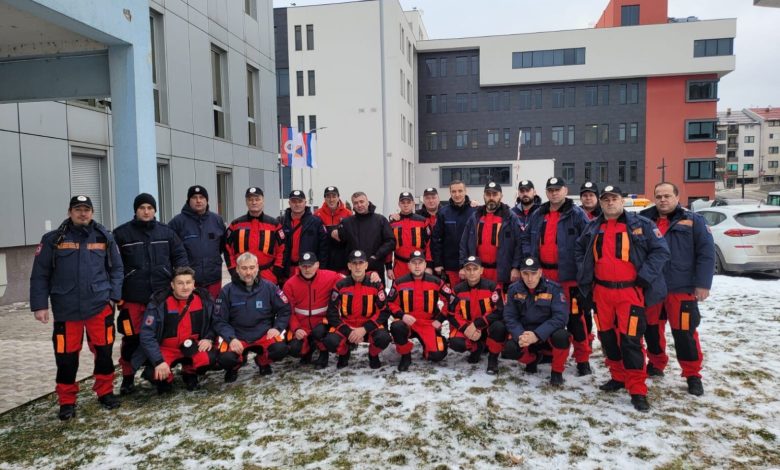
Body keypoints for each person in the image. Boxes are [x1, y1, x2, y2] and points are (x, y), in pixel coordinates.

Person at [575, 185, 670, 412]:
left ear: (622, 200)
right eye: (606, 199)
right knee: (607, 338)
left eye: (614, 198)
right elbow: (579, 250)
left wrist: (645, 276)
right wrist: (585, 274)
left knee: (631, 340)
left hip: (630, 292)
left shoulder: (641, 224)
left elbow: (661, 251)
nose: (610, 203)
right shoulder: (592, 227)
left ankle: (637, 389)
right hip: (602, 293)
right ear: (601, 202)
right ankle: (617, 376)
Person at [30, 195, 124, 420]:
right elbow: (40, 274)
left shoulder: (104, 236)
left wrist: (113, 296)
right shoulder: (53, 239)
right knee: (66, 358)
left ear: (92, 212)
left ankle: (105, 392)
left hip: (99, 307)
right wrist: (40, 305)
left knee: (104, 353)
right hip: (66, 309)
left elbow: (117, 269)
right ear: (69, 212)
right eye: (78, 209)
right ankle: (67, 401)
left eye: (86, 209)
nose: (83, 213)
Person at [640, 182, 714, 396]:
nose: (663, 200)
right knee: (651, 330)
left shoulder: (694, 221)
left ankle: (692, 374)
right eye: (658, 196)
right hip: (652, 288)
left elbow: (706, 254)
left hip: (681, 288)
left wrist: (703, 284)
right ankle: (656, 363)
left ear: (677, 197)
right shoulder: (644, 219)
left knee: (684, 333)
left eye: (667, 195)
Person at [113, 193, 189, 395]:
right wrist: (117, 293)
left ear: (155, 210)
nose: (146, 211)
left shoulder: (167, 232)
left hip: (160, 297)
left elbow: (180, 256)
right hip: (132, 298)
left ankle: (159, 373)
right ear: (135, 210)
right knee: (131, 339)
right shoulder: (121, 234)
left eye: (150, 208)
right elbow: (113, 265)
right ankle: (128, 377)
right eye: (142, 208)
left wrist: (179, 280)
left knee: (161, 337)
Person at [527, 177, 592, 376]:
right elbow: (526, 238)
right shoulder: (538, 214)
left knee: (575, 319)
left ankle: (582, 359)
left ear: (565, 190)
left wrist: (583, 273)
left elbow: (588, 244)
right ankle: (547, 353)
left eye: (557, 189)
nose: (554, 193)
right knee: (544, 315)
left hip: (568, 278)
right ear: (546, 192)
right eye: (550, 190)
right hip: (544, 276)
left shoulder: (577, 214)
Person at [133, 267, 218, 393]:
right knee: (154, 373)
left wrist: (208, 338)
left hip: (192, 347)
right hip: (166, 349)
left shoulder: (204, 299)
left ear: (194, 284)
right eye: (180, 283)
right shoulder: (159, 303)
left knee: (210, 358)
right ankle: (166, 380)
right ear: (172, 285)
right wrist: (158, 361)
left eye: (188, 282)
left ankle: (190, 373)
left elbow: (215, 322)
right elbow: (147, 335)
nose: (185, 287)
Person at [212, 252, 291, 381]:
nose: (248, 272)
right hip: (238, 336)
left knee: (280, 349)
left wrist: (277, 328)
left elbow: (285, 309)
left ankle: (263, 361)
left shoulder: (269, 287)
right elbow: (219, 320)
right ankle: (235, 366)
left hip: (263, 334)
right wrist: (231, 339)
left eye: (251, 267)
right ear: (237, 269)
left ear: (257, 267)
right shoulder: (226, 291)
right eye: (244, 268)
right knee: (226, 359)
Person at [502, 257, 570, 387]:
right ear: (521, 273)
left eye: (533, 273)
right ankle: (532, 360)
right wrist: (520, 335)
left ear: (540, 272)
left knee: (562, 336)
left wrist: (537, 335)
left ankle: (557, 371)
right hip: (525, 335)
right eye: (525, 273)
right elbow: (510, 316)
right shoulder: (513, 289)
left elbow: (561, 317)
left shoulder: (553, 289)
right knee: (509, 349)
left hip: (547, 335)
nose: (530, 278)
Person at [387, 250, 455, 371]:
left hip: (428, 324)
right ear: (409, 265)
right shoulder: (399, 282)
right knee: (397, 327)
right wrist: (402, 316)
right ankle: (406, 355)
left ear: (425, 265)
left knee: (437, 355)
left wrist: (440, 319)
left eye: (420, 263)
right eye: (414, 263)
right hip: (408, 323)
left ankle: (429, 348)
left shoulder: (436, 281)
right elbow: (390, 302)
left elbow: (451, 300)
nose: (417, 266)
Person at [323, 250, 392, 369]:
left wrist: (365, 329)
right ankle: (344, 353)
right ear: (349, 266)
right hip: (347, 325)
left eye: (361, 263)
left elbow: (384, 311)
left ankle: (373, 354)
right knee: (330, 341)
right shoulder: (340, 285)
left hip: (369, 326)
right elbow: (332, 312)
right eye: (354, 263)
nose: (358, 267)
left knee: (384, 338)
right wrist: (348, 331)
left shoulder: (375, 285)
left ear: (366, 265)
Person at [282, 252, 344, 369]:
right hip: (302, 325)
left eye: (310, 265)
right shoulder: (290, 284)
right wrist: (296, 328)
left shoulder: (329, 277)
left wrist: (371, 275)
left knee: (320, 332)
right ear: (299, 266)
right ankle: (307, 351)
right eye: (304, 266)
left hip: (322, 322)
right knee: (294, 348)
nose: (307, 269)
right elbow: (288, 311)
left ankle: (323, 352)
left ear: (317, 265)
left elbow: (353, 278)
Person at [460, 181, 523, 291]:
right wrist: (462, 266)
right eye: (488, 194)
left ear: (501, 196)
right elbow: (464, 243)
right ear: (484, 196)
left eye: (495, 194)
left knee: (499, 300)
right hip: (478, 272)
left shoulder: (510, 217)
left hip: (502, 272)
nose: (491, 198)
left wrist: (516, 267)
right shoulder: (475, 217)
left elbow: (519, 244)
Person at [447, 256, 506, 375]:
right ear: (464, 271)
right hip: (468, 328)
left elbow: (499, 311)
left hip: (486, 327)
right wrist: (465, 328)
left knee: (499, 327)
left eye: (475, 269)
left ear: (481, 270)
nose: (472, 272)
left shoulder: (492, 287)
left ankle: (493, 359)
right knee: (455, 342)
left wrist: (477, 324)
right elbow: (452, 314)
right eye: (468, 269)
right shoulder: (457, 290)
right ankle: (476, 347)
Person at [168, 185, 226, 300]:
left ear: (207, 200)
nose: (198, 200)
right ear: (188, 200)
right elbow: (171, 252)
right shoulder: (177, 222)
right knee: (192, 310)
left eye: (201, 197)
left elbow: (221, 246)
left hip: (213, 279)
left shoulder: (217, 220)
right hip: (189, 282)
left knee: (213, 309)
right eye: (194, 197)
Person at [225, 187, 285, 285]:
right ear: (246, 202)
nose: (254, 202)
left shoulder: (274, 225)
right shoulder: (236, 225)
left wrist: (276, 271)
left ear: (263, 200)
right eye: (250, 200)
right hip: (242, 276)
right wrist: (233, 271)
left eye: (257, 199)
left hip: (268, 276)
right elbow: (227, 249)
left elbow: (282, 249)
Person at [333, 192, 395, 277]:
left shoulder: (380, 220)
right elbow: (341, 245)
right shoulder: (347, 223)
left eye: (361, 202)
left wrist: (377, 256)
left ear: (367, 202)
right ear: (353, 205)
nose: (359, 205)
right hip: (354, 270)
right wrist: (333, 232)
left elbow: (390, 242)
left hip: (375, 269)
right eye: (356, 203)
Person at [431, 180, 476, 286]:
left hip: (472, 264)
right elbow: (436, 239)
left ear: (465, 191)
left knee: (471, 294)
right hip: (450, 265)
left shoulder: (475, 211)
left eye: (460, 191)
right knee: (452, 294)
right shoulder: (443, 212)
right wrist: (438, 263)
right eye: (454, 191)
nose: (457, 194)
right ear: (450, 192)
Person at [281, 190, 329, 281]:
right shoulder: (281, 222)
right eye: (294, 201)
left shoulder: (316, 222)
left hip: (309, 269)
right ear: (289, 203)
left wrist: (320, 269)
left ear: (305, 203)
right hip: (287, 270)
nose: (297, 204)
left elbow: (324, 249)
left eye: (300, 201)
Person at [388, 191, 430, 281]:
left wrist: (429, 265)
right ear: (399, 204)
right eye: (403, 202)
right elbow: (388, 246)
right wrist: (388, 267)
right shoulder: (392, 223)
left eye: (408, 202)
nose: (406, 205)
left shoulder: (422, 221)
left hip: (419, 265)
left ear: (413, 203)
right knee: (399, 289)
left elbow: (429, 244)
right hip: (400, 266)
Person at [314, 186, 352, 272]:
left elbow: (352, 235)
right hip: (324, 258)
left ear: (338, 197)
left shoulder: (348, 214)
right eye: (328, 197)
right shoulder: (317, 214)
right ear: (325, 198)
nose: (331, 200)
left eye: (334, 196)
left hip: (343, 259)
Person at [511, 180, 542, 258]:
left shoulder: (542, 212)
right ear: (518, 193)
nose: (525, 194)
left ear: (534, 192)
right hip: (516, 258)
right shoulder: (512, 213)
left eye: (528, 191)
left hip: (536, 258)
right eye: (522, 191)